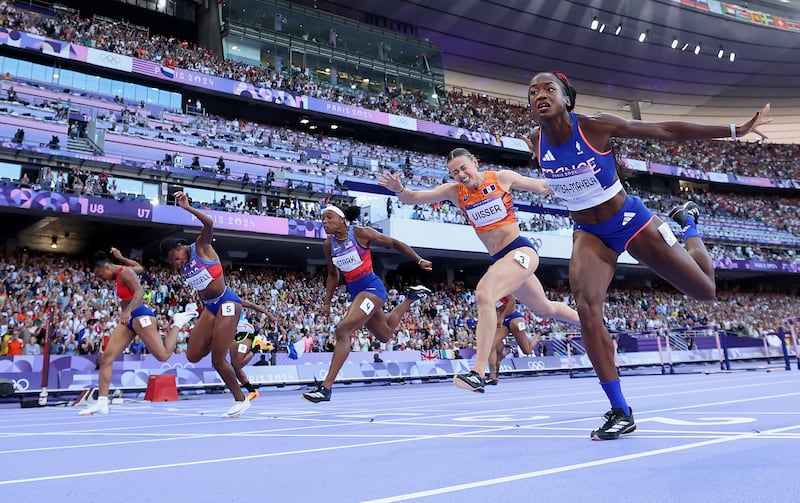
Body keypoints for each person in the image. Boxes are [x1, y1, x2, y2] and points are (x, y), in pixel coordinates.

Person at [519, 71, 771, 440]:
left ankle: (689, 224)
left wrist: (735, 130)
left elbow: (665, 130)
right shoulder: (534, 141)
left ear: (567, 98)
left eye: (548, 89)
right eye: (533, 92)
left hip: (630, 220)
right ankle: (620, 410)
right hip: (589, 233)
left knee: (706, 291)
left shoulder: (595, 127)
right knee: (588, 310)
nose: (541, 95)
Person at [378, 149, 579, 393]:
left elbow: (542, 186)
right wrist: (399, 189)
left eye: (463, 168)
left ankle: (478, 372)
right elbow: (413, 197)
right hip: (502, 260)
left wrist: (572, 177)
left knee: (484, 294)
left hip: (521, 252)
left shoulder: (501, 178)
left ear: (475, 161)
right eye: (454, 172)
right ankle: (590, 321)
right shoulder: (454, 192)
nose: (460, 175)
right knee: (544, 309)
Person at [302, 205, 432, 403]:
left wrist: (419, 259)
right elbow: (332, 274)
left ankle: (326, 387)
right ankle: (410, 298)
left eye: (329, 218)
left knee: (342, 331)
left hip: (372, 289)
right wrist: (327, 303)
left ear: (342, 219)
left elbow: (394, 243)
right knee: (385, 334)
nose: (324, 222)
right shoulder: (329, 245)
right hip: (358, 295)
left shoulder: (360, 233)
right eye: (323, 219)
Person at [159, 191, 251, 418]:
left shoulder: (201, 246)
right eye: (174, 263)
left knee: (218, 360)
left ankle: (241, 400)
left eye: (177, 257)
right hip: (210, 307)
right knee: (192, 355)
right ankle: (225, 332)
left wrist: (187, 207)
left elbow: (209, 222)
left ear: (180, 246)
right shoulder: (181, 264)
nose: (178, 263)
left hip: (227, 302)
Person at [80, 248, 197, 416]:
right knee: (106, 358)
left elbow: (140, 292)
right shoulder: (121, 271)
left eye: (99, 275)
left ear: (105, 267)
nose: (100, 279)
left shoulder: (125, 273)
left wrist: (128, 311)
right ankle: (102, 403)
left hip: (140, 315)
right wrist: (121, 257)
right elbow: (140, 268)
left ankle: (178, 323)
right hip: (128, 321)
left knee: (163, 356)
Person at [486, 295, 537, 385]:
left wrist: (501, 318)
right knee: (491, 345)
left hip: (514, 318)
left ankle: (538, 334)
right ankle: (493, 376)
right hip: (503, 321)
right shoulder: (489, 294)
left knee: (527, 350)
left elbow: (512, 302)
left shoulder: (501, 287)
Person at [230, 300, 276, 401]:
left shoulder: (230, 298)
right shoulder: (211, 303)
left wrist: (269, 314)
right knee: (234, 367)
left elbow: (252, 305)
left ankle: (258, 346)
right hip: (232, 335)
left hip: (244, 330)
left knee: (237, 365)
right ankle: (252, 391)